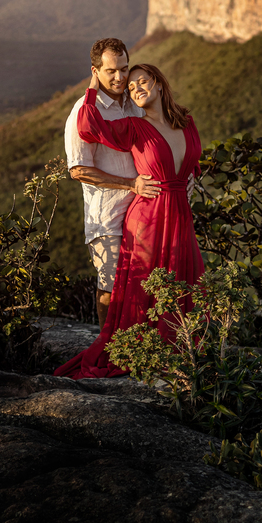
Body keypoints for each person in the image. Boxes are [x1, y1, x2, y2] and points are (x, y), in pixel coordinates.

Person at [55, 63, 205, 380]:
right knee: (146, 289)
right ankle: (146, 354)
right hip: (148, 218)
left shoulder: (187, 122)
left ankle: (180, 352)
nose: (135, 87)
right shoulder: (132, 127)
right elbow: (88, 126)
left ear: (160, 84)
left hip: (179, 213)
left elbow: (192, 159)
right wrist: (93, 84)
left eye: (142, 81)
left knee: (186, 282)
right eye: (131, 85)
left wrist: (189, 176)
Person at [64, 38, 160, 330]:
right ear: (95, 71)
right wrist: (130, 183)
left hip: (144, 212)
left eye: (124, 69)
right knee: (111, 283)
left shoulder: (136, 103)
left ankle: (138, 346)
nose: (120, 77)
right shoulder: (83, 112)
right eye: (111, 71)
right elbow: (79, 169)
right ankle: (106, 348)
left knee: (146, 282)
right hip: (106, 216)